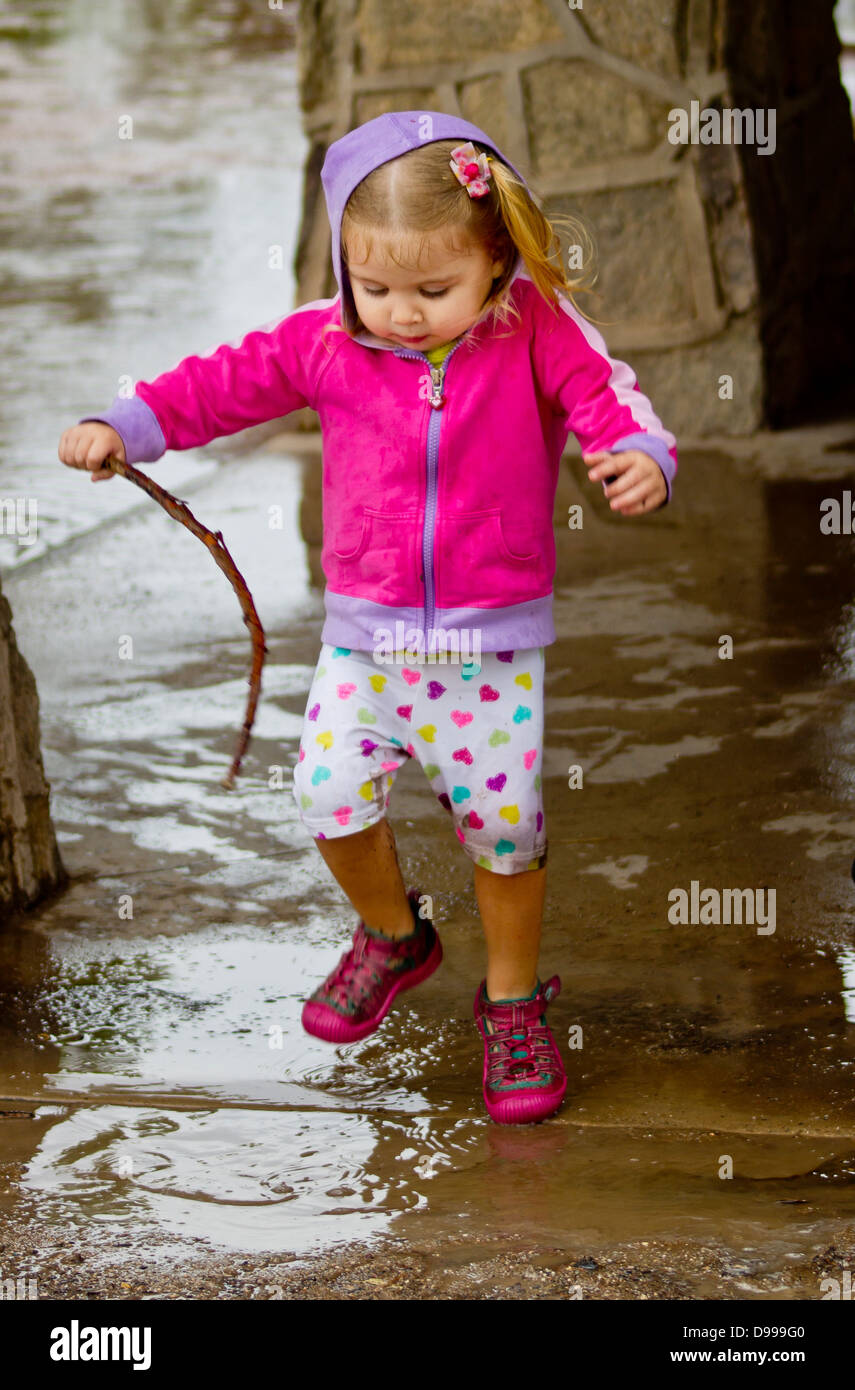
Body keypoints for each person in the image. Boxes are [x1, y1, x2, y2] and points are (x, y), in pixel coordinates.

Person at [58, 111, 678, 1126]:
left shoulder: (536, 331)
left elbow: (611, 398)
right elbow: (220, 383)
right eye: (374, 285)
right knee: (329, 793)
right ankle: (394, 936)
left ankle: (514, 1004)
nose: (399, 313)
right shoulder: (325, 340)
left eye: (433, 290)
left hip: (490, 645)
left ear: (496, 260)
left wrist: (640, 455)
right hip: (368, 639)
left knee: (505, 827)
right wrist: (123, 424)